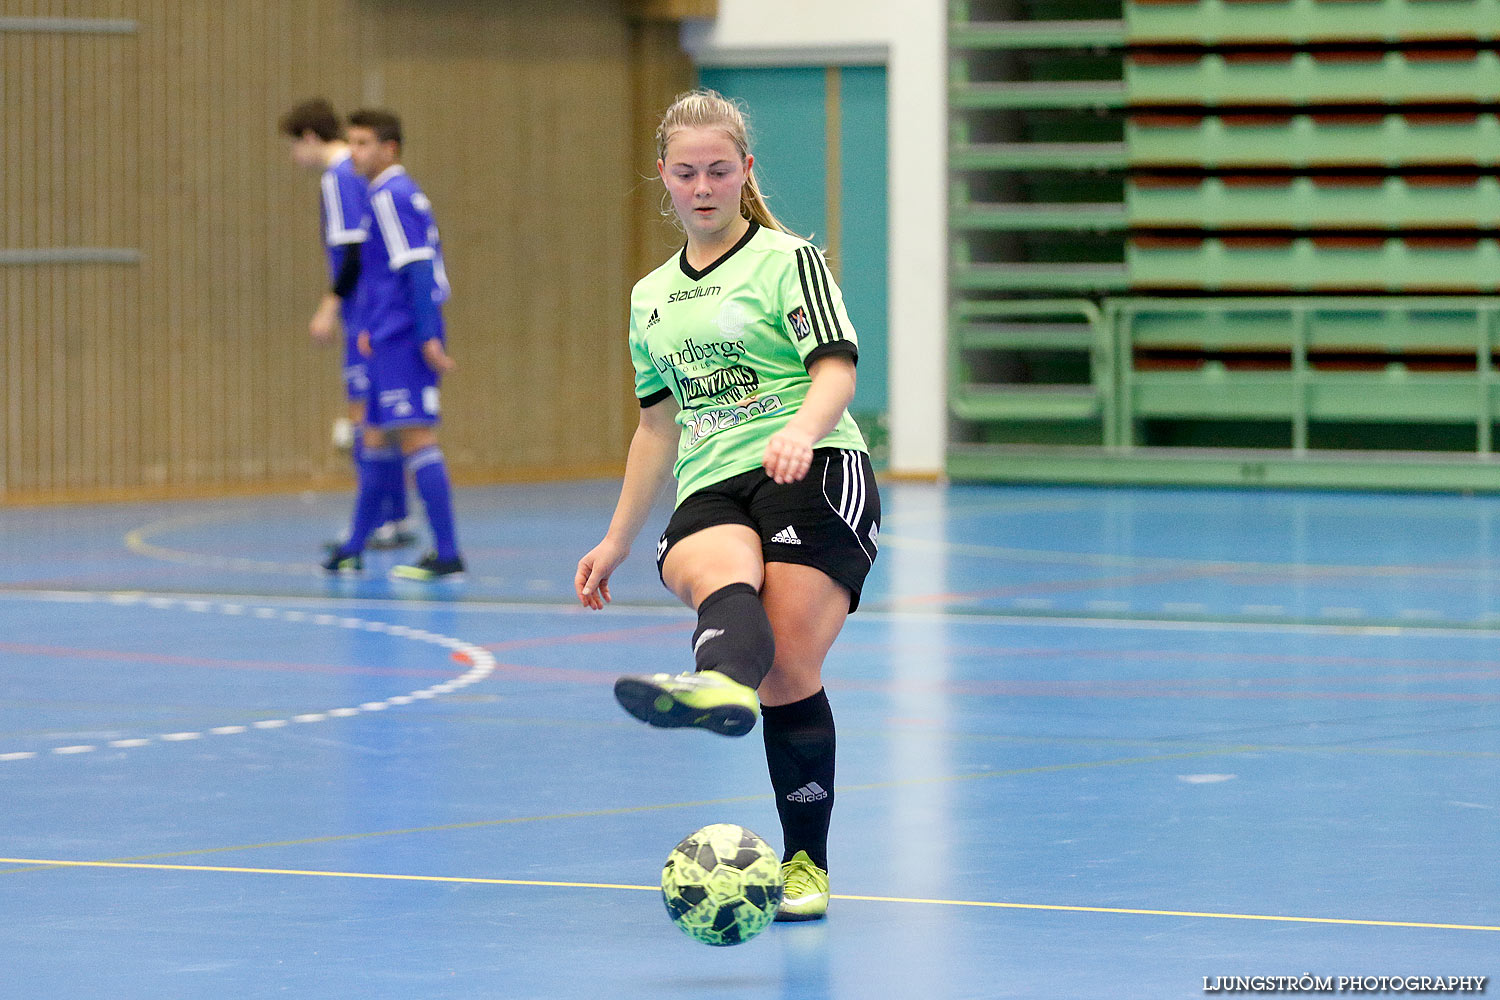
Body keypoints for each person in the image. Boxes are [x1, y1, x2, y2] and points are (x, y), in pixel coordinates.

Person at [574, 89, 880, 923]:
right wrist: (615, 539)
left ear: (744, 172)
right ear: (664, 181)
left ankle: (807, 864)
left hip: (813, 468)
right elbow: (655, 428)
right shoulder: (649, 298)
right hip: (712, 482)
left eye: (718, 170)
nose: (702, 187)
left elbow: (837, 369)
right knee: (718, 576)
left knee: (787, 668)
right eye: (685, 173)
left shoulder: (788, 261)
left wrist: (804, 431)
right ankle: (717, 687)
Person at [321, 108, 465, 581]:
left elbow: (417, 268)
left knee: (417, 436)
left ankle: (447, 553)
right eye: (352, 143)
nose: (354, 153)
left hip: (404, 337)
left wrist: (427, 337)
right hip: (384, 333)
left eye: (364, 144)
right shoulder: (383, 195)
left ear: (390, 149)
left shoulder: (392, 195)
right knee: (376, 435)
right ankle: (355, 545)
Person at [278, 98, 414, 554]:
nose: (293, 157)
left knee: (367, 418)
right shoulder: (355, 176)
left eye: (293, 146)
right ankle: (391, 517)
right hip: (376, 311)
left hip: (364, 313)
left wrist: (329, 306)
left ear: (310, 138)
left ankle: (381, 519)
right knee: (380, 416)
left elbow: (353, 253)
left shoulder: (337, 179)